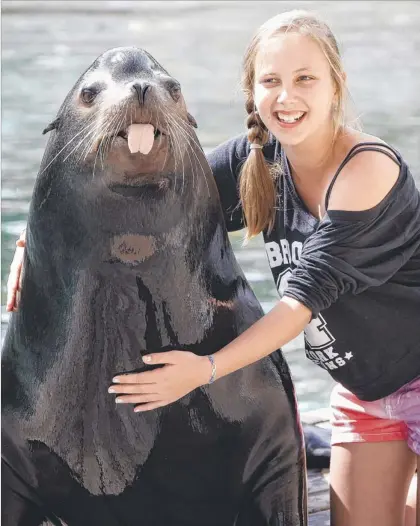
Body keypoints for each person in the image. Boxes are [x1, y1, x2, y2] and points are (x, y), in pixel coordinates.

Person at [6, 10, 420, 526]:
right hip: (367, 391)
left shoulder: (367, 173)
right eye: (271, 81)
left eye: (305, 79)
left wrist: (204, 371)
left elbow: (298, 307)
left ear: (337, 84)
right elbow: (155, 205)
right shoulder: (260, 163)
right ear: (254, 92)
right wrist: (32, 241)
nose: (287, 97)